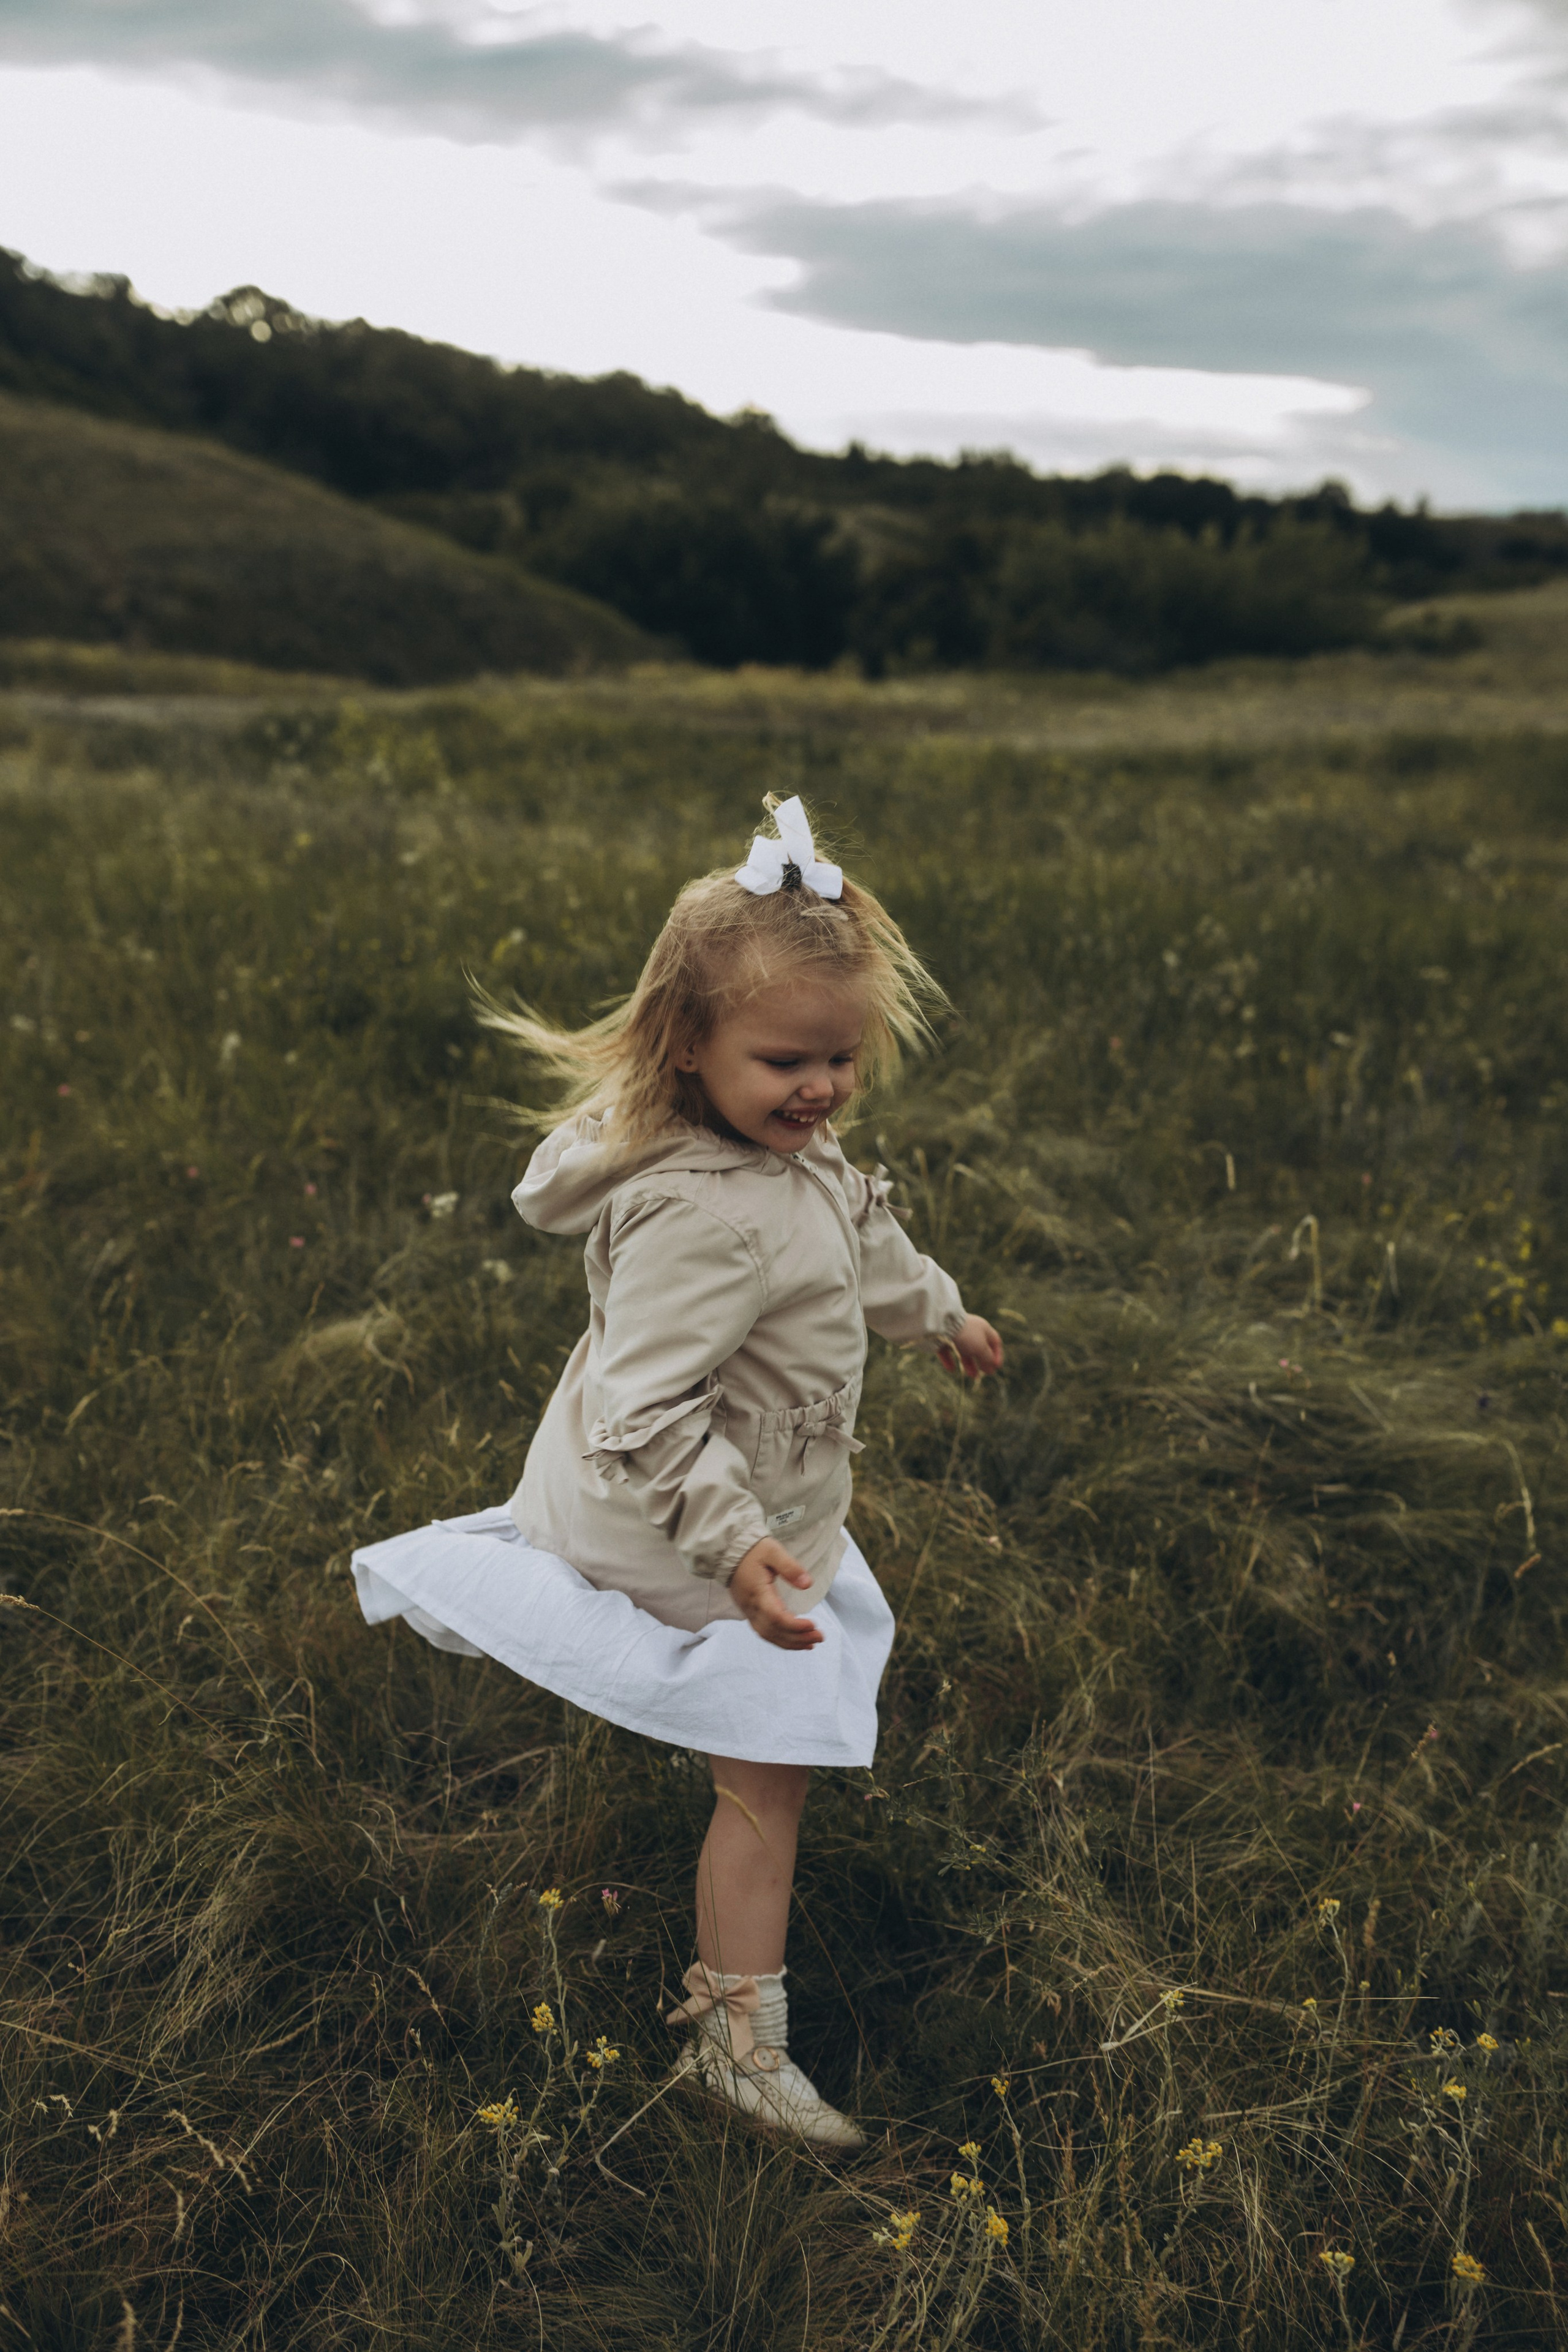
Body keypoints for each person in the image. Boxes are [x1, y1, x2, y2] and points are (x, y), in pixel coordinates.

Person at [352, 795, 1002, 2149]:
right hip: (688, 1522)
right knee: (769, 1763)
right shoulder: (700, 1219)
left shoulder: (791, 1151)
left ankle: (727, 1988)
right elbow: (643, 1409)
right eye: (784, 1061)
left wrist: (937, 1312)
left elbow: (865, 1239)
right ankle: (731, 2038)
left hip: (758, 1513)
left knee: (761, 1751)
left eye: (839, 1058)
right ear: (688, 1046)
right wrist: (729, 1545)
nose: (818, 1090)